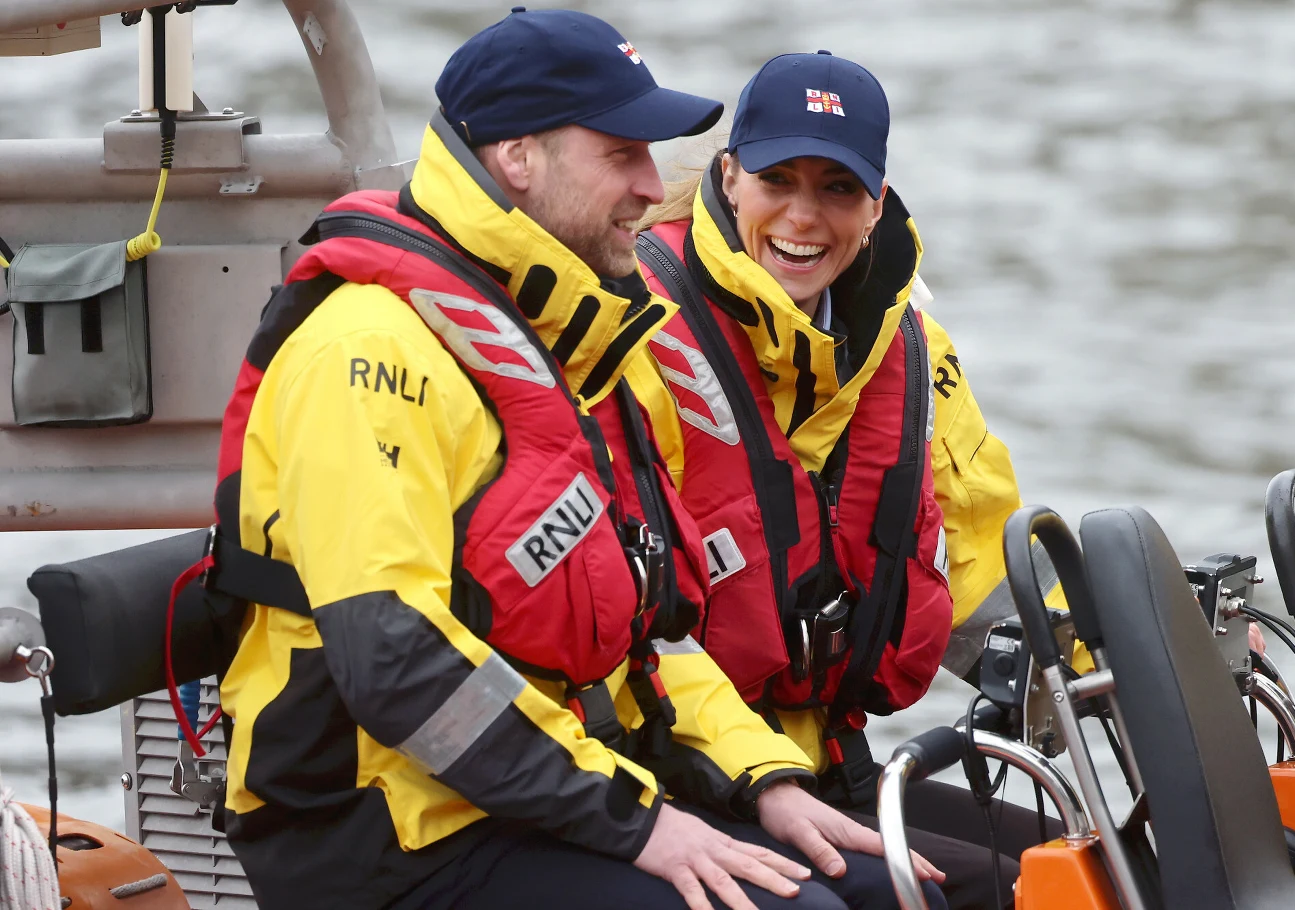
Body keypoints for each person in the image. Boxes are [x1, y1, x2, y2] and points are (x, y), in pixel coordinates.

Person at [209, 11, 947, 910]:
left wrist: (764, 780)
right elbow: (398, 668)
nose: (651, 183)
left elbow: (649, 636)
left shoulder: (569, 338)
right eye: (622, 154)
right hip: (381, 824)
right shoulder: (364, 354)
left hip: (533, 793)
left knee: (885, 892)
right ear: (520, 159)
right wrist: (638, 821)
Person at [630, 51, 1062, 909]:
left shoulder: (912, 347)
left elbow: (979, 573)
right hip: (674, 768)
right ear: (727, 175)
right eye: (777, 179)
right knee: (919, 896)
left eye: (836, 188)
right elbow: (626, 619)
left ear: (877, 203)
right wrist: (754, 774)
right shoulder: (636, 328)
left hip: (831, 758)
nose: (803, 215)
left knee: (1076, 867)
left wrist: (1120, 666)